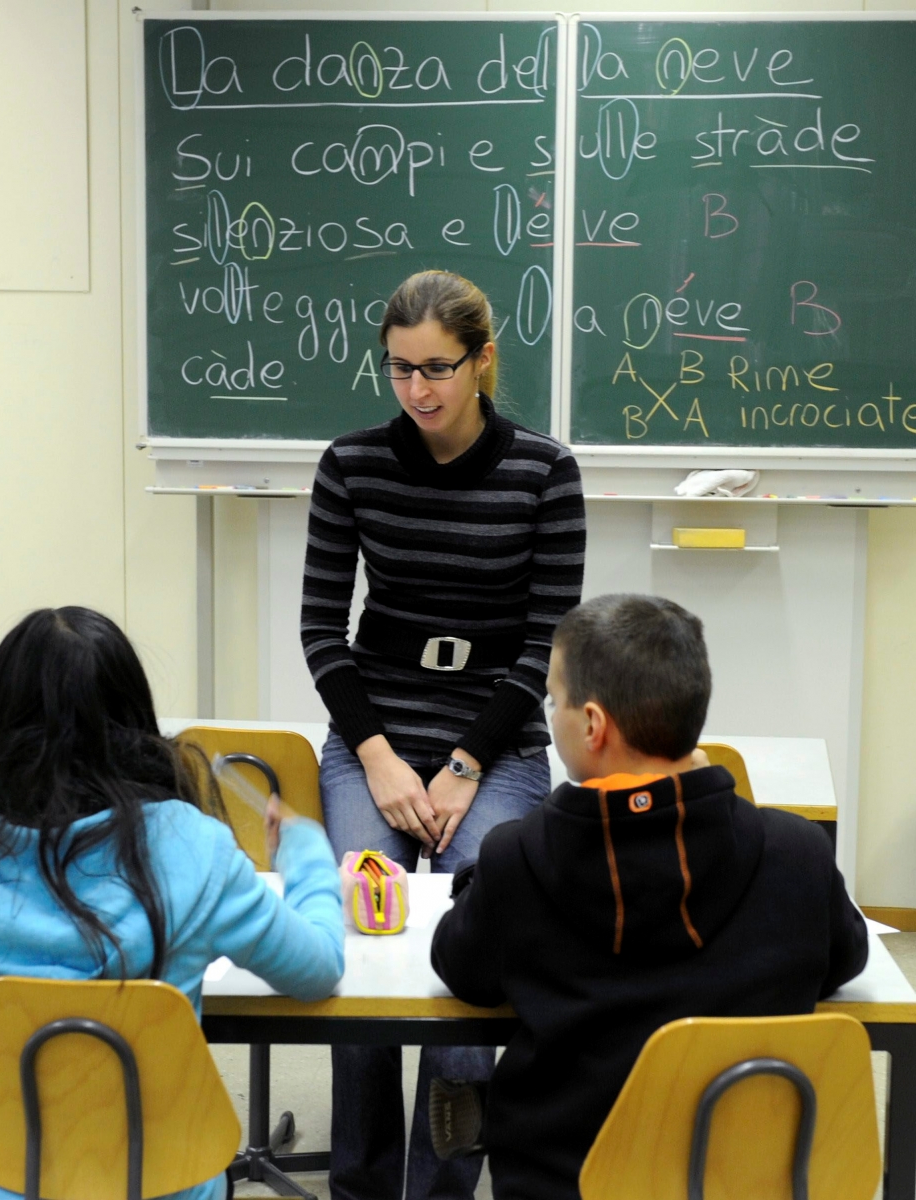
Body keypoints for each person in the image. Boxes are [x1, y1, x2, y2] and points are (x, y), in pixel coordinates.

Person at [0, 607, 344, 1200]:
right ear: (135, 719)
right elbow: (317, 969)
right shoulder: (192, 845)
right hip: (162, 1186)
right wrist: (304, 851)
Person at [299, 269, 586, 1200]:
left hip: (495, 739)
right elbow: (320, 632)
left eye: (438, 369)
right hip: (374, 729)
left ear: (483, 360)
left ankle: (442, 1188)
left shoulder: (545, 471)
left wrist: (465, 762)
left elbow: (548, 640)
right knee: (361, 947)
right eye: (399, 370)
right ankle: (363, 1185)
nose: (418, 390)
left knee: (476, 945)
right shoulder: (352, 466)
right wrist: (378, 757)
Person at [431, 594, 868, 1200]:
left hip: (566, 1183)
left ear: (591, 724)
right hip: (751, 1183)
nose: (550, 712)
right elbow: (846, 961)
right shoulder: (797, 852)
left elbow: (463, 971)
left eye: (552, 699)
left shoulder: (517, 859)